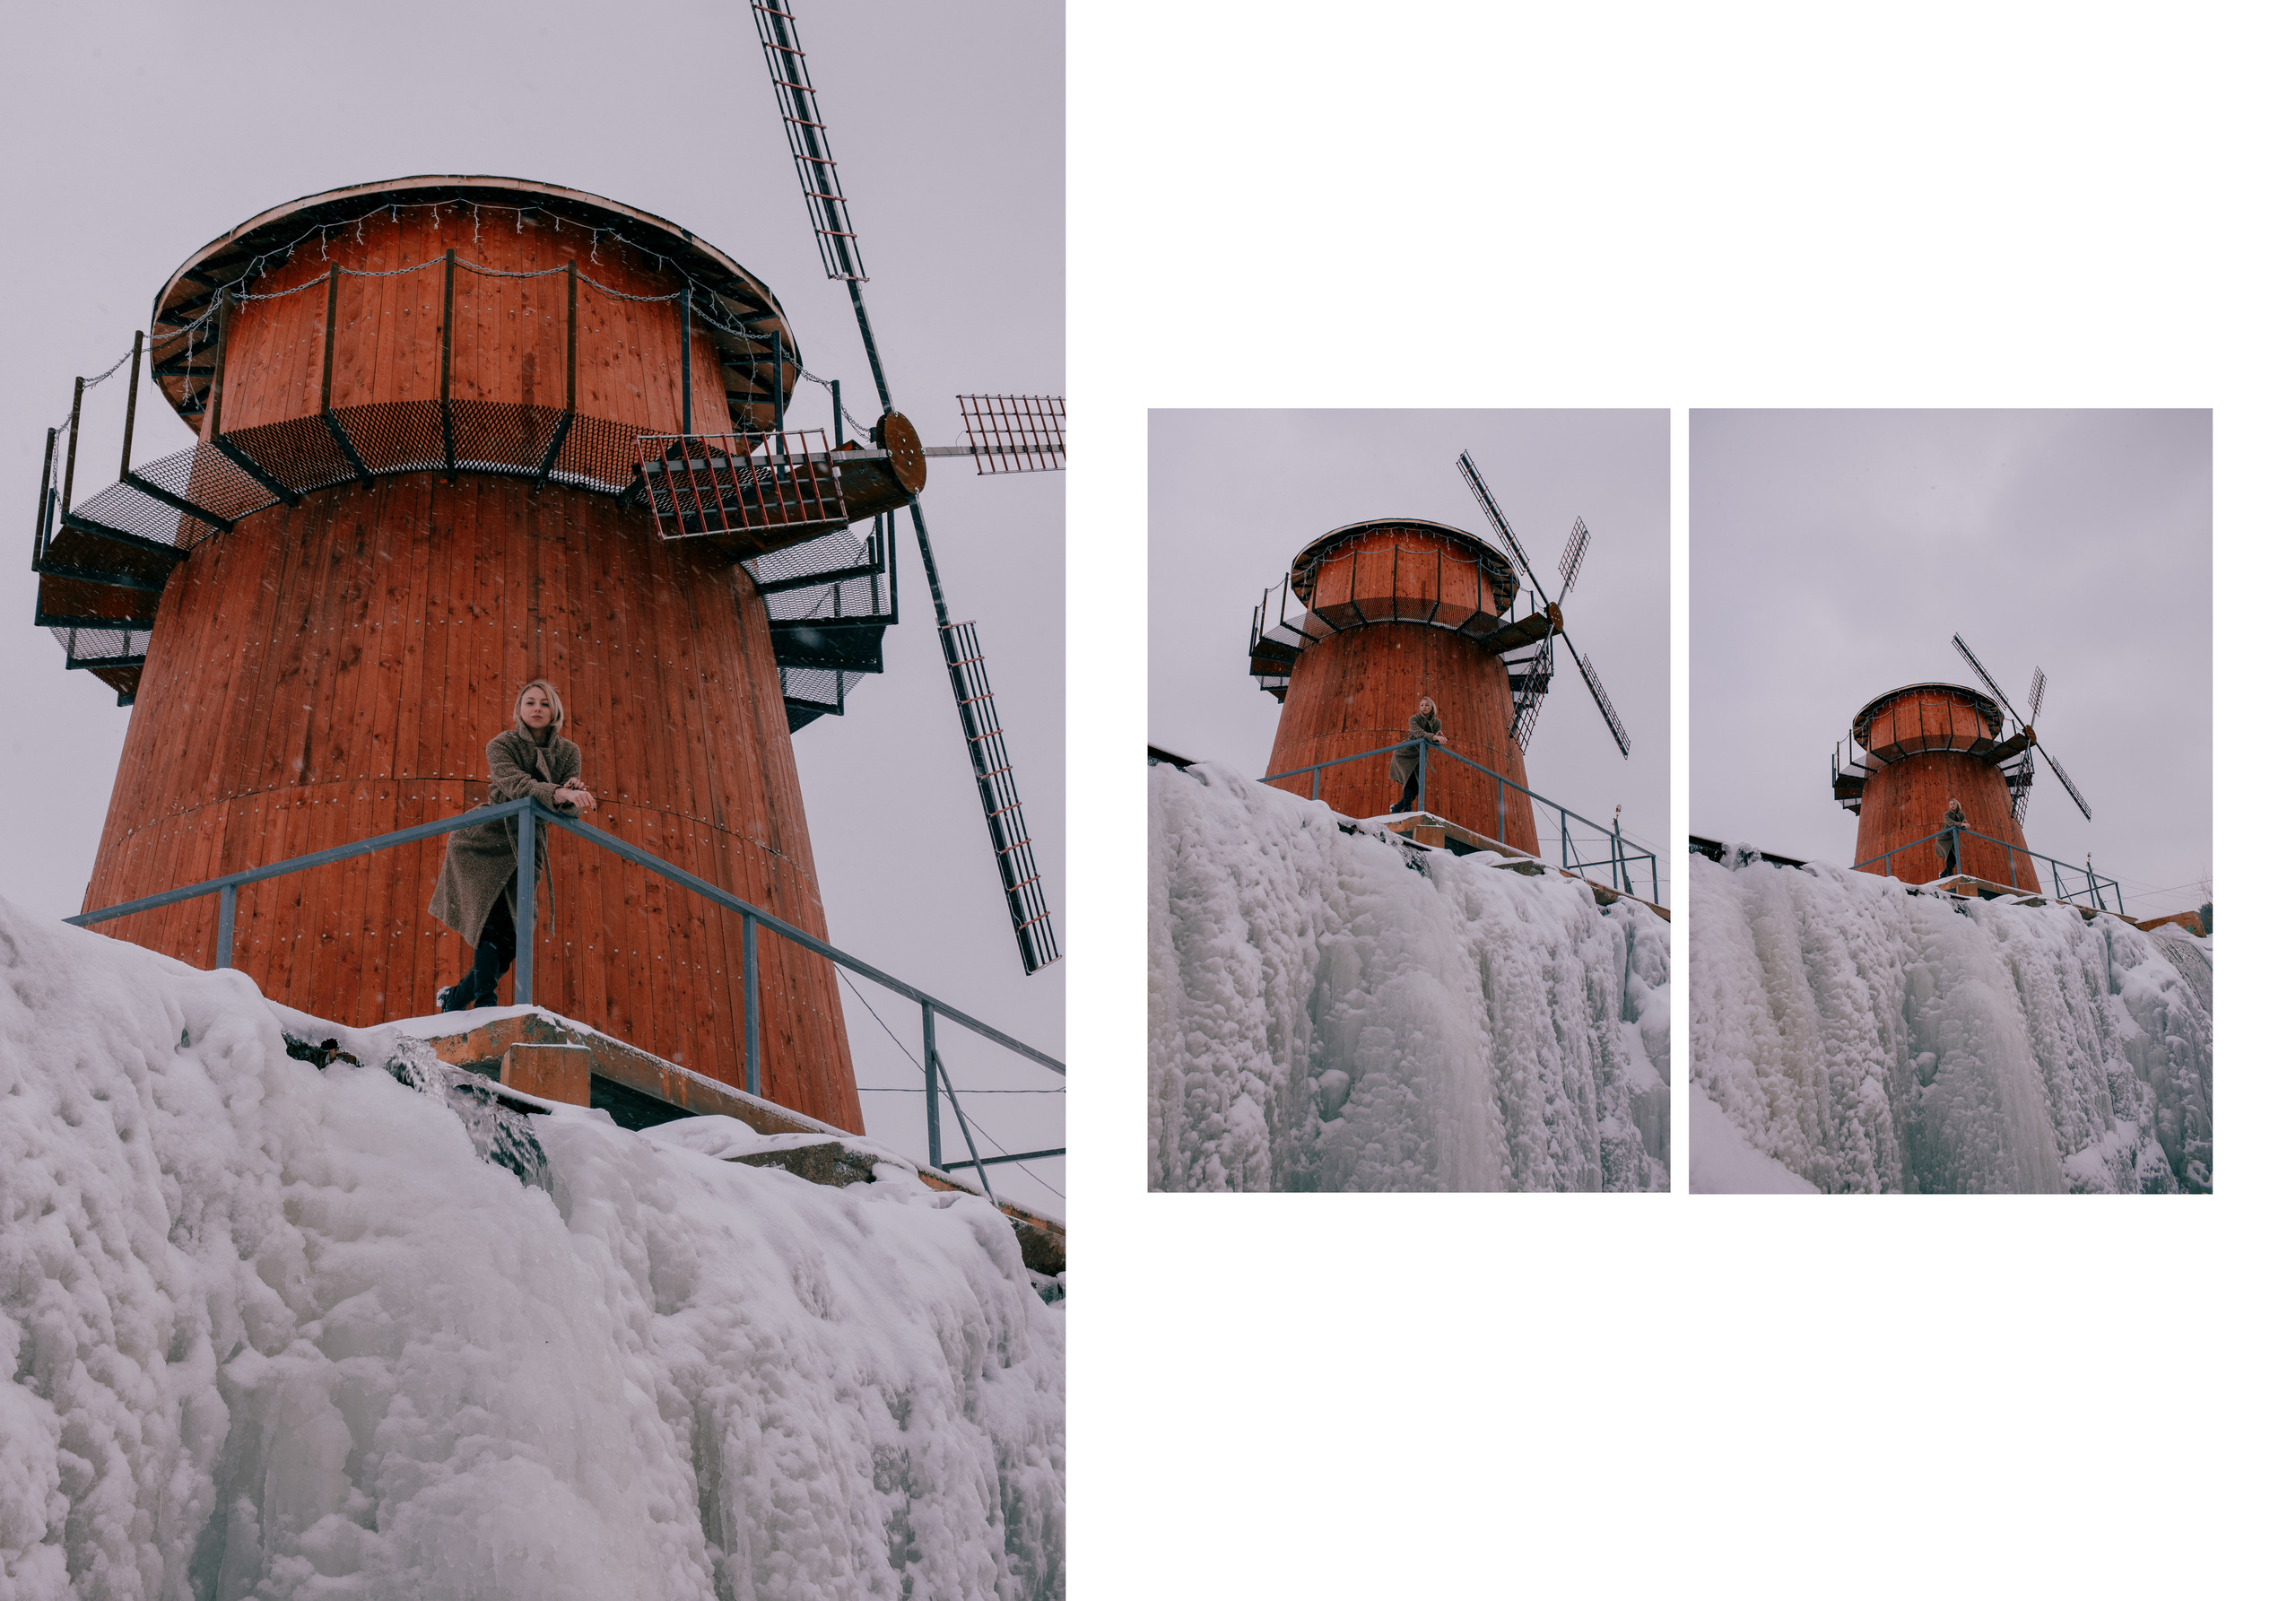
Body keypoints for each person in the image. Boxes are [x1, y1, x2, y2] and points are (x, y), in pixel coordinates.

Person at [430, 679, 597, 1011]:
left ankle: (457, 997)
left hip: (526, 841)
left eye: (545, 703)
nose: (537, 709)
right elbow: (516, 784)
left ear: (555, 711)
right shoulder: (501, 744)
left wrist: (569, 794)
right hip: (485, 837)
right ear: (519, 710)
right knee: (490, 924)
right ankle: (486, 1004)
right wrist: (558, 793)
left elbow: (569, 809)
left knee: (512, 939)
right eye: (530, 702)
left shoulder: (568, 753)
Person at [1389, 695, 1448, 814]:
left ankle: (1396, 809)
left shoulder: (1437, 722)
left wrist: (1438, 737)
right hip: (1406, 751)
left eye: (1427, 705)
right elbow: (1419, 733)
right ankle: (1407, 811)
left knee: (1416, 787)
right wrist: (1434, 736)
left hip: (1420, 754)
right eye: (1422, 705)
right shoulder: (1414, 719)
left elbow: (1433, 741)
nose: (1424, 707)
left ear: (1432, 707)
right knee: (1409, 781)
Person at [1935, 796, 1969, 878]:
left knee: (1954, 859)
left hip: (1954, 837)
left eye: (1954, 804)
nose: (1952, 805)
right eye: (1950, 804)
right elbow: (1951, 823)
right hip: (1944, 837)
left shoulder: (1962, 815)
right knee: (1950, 856)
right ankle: (1950, 875)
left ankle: (1943, 875)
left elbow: (1962, 825)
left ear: (1957, 805)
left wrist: (1965, 824)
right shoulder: (1946, 814)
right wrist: (1961, 824)